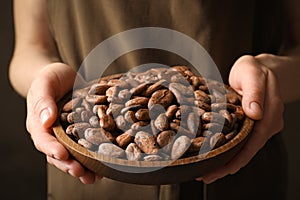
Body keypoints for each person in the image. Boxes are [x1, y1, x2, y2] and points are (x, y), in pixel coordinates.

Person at [8, 0, 300, 199]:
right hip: (90, 177)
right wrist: (42, 79)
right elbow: (31, 48)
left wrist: (266, 78)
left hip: (236, 171)